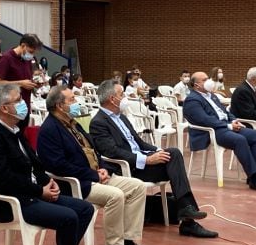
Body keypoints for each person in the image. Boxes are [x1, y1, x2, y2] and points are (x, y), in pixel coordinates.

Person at [0, 84, 104, 245]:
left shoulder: (14, 130)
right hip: (10, 203)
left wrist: (46, 182)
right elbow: (4, 179)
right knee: (69, 217)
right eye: (18, 100)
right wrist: (39, 191)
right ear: (4, 108)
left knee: (84, 209)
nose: (23, 104)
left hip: (30, 194)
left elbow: (35, 163)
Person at [38, 86, 152, 245]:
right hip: (76, 184)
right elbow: (58, 165)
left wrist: (104, 168)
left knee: (137, 186)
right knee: (115, 195)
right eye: (72, 100)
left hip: (95, 175)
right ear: (60, 105)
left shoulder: (72, 123)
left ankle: (128, 241)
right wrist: (93, 174)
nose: (76, 103)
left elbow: (92, 151)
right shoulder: (50, 129)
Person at [90, 79, 218, 236]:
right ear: (112, 99)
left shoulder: (121, 117)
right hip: (129, 168)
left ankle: (187, 214)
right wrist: (147, 160)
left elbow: (139, 143)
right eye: (121, 94)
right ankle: (187, 218)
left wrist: (158, 150)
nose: (125, 97)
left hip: (142, 161)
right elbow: (112, 152)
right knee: (175, 158)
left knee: (173, 153)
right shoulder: (98, 122)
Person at [183, 72, 256, 192]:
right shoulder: (192, 100)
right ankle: (255, 178)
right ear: (196, 85)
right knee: (239, 140)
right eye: (204, 80)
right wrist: (229, 126)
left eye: (208, 78)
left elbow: (225, 112)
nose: (209, 81)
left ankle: (255, 175)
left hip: (225, 126)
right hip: (213, 131)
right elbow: (204, 120)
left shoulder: (212, 95)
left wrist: (234, 120)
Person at [0, 34, 42, 128]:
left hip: (25, 106)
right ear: (23, 45)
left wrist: (34, 84)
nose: (32, 55)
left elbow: (26, 80)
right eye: (31, 52)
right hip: (11, 109)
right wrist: (20, 83)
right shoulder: (6, 58)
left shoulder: (26, 60)